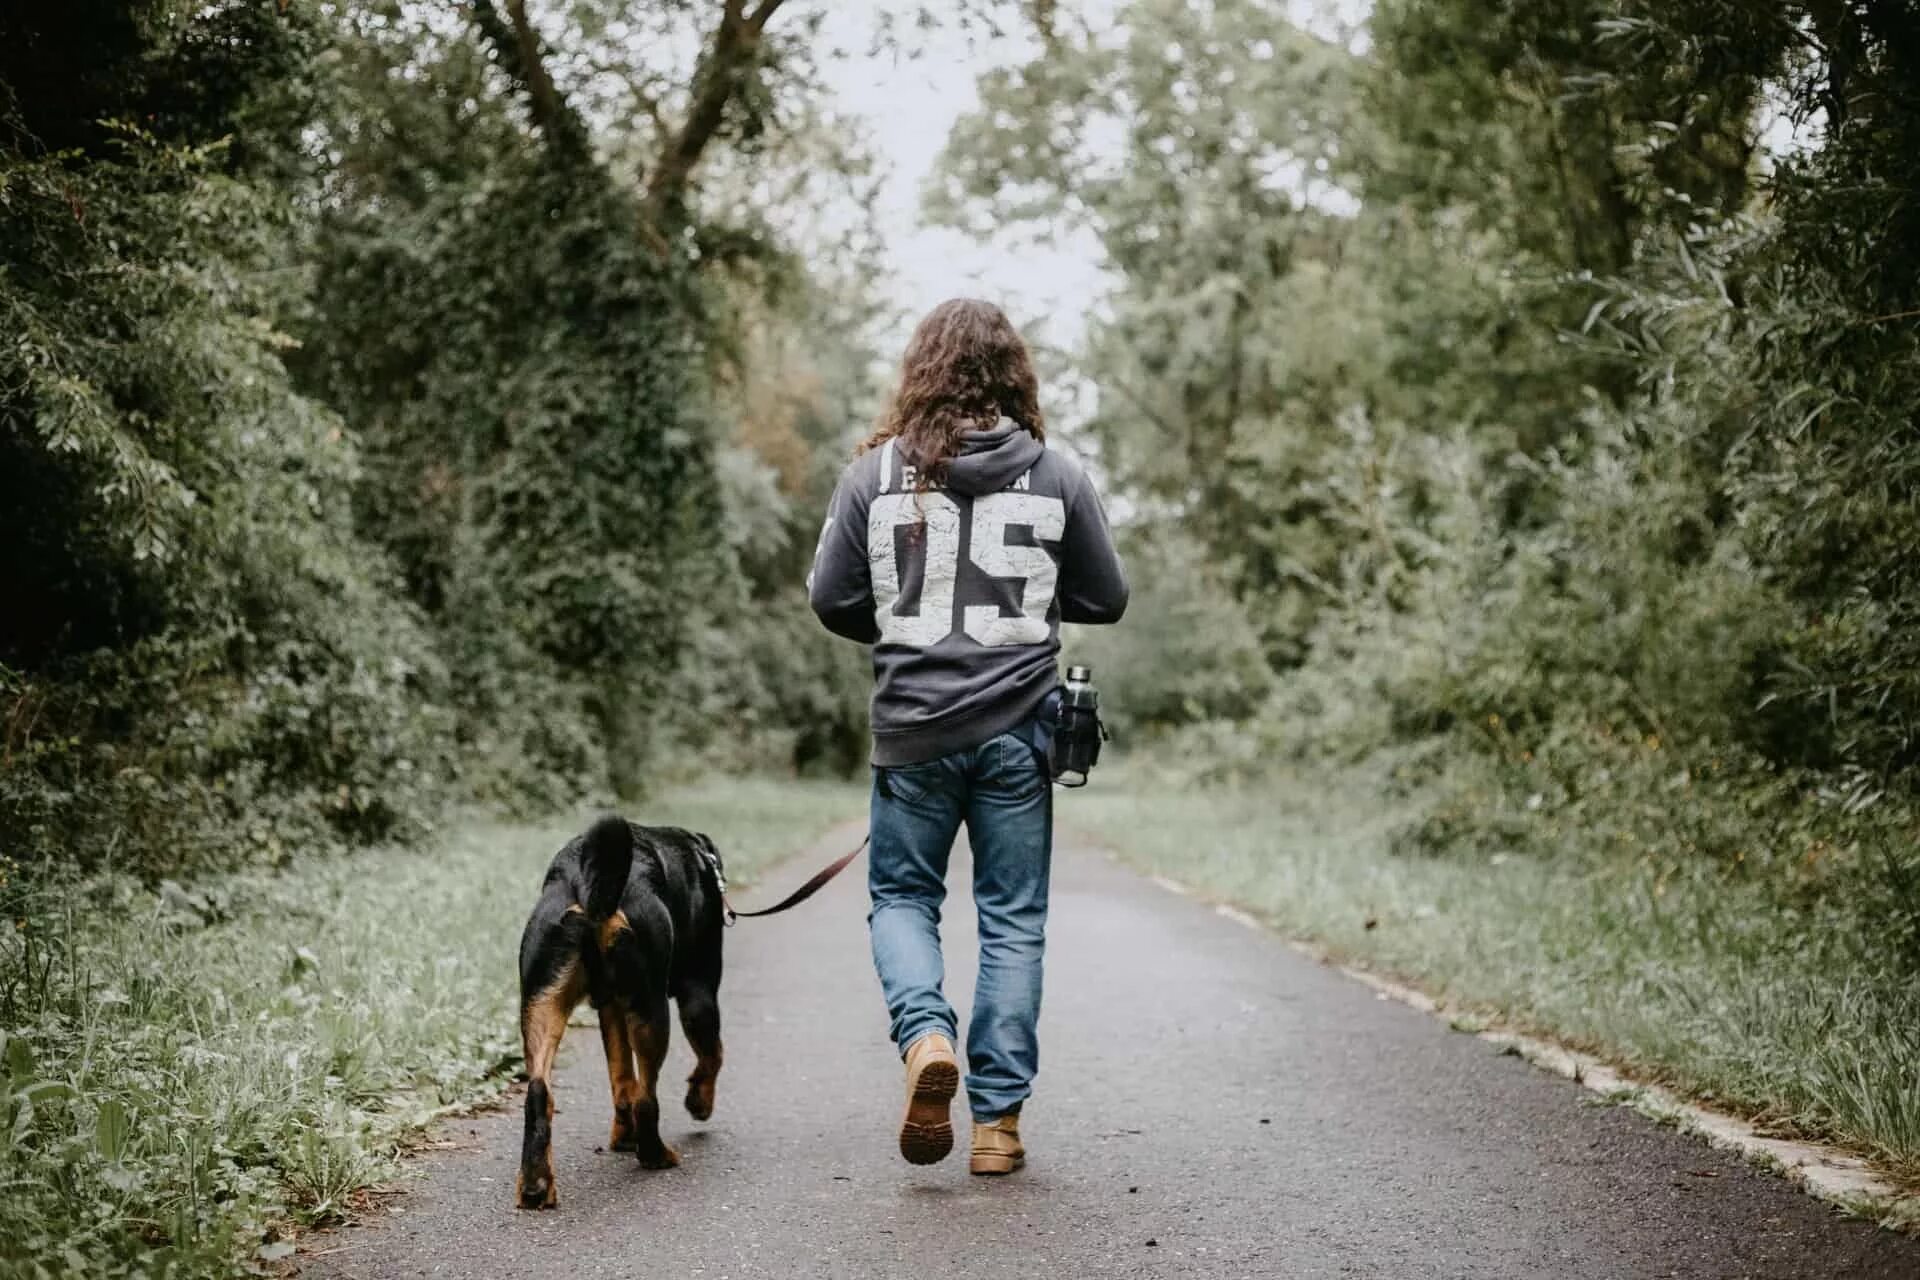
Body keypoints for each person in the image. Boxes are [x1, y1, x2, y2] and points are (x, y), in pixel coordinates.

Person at [807, 298, 1129, 1175]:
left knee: (905, 901)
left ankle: (925, 1041)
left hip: (911, 733)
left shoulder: (872, 479)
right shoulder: (1057, 475)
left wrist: (909, 618)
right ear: (1014, 376)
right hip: (1020, 733)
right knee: (1012, 922)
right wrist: (1021, 604)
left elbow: (832, 599)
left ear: (921, 372)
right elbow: (1106, 598)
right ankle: (997, 1128)